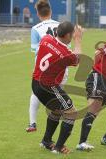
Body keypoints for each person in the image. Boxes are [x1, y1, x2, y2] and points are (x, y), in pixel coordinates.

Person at [32, 21, 83, 154]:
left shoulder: (46, 39)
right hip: (48, 87)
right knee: (71, 113)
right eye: (71, 35)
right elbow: (77, 59)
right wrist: (78, 40)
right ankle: (58, 147)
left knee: (56, 110)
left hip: (36, 83)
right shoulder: (65, 53)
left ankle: (46, 141)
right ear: (67, 35)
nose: (72, 37)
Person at [26, 0, 69, 132]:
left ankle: (32, 123)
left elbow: (35, 51)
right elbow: (68, 47)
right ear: (50, 11)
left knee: (36, 94)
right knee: (56, 99)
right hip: (61, 69)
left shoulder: (36, 29)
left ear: (38, 14)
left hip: (43, 69)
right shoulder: (61, 25)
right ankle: (49, 134)